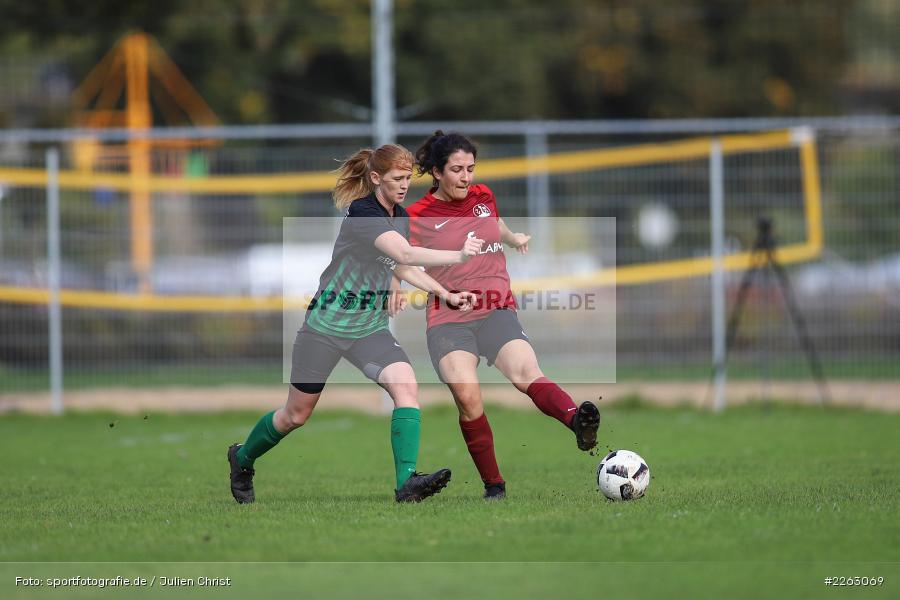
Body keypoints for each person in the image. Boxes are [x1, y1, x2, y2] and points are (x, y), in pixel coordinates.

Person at [228, 143, 483, 504]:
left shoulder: (401, 216)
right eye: (397, 178)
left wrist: (447, 294)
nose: (404, 185)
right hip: (325, 328)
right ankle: (242, 459)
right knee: (295, 415)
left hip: (368, 330)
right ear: (376, 178)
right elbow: (404, 254)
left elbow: (405, 267)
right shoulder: (362, 213)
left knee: (406, 387)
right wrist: (458, 254)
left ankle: (406, 483)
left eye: (408, 178)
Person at [398, 131, 601, 500]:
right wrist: (433, 291)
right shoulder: (417, 216)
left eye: (470, 169)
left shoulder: (483, 196)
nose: (465, 177)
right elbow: (403, 263)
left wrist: (513, 238)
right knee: (468, 396)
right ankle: (495, 486)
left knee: (527, 373)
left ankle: (577, 422)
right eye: (457, 170)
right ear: (437, 173)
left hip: (495, 309)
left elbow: (496, 224)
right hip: (448, 319)